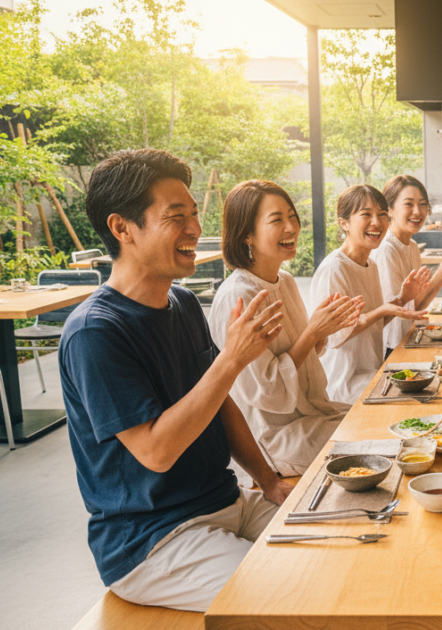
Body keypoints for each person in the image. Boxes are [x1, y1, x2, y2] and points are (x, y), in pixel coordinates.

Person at [61, 149, 294, 611]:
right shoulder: (96, 331)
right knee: (288, 596)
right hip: (152, 539)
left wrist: (267, 479)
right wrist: (231, 359)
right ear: (122, 228)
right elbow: (156, 452)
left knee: (340, 540)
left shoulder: (183, 303)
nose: (194, 228)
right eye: (175, 216)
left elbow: (219, 401)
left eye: (193, 214)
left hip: (225, 502)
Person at [208, 180, 364, 477]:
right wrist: (311, 333)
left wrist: (320, 328)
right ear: (247, 235)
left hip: (312, 414)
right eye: (277, 220)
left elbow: (304, 356)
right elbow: (268, 393)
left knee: (380, 421)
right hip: (273, 439)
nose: (291, 227)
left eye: (292, 216)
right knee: (381, 445)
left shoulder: (286, 280)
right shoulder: (238, 297)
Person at [311, 184, 429, 405]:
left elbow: (373, 324)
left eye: (382, 215)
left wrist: (401, 300)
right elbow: (334, 336)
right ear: (343, 223)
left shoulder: (370, 265)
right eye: (366, 214)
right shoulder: (334, 269)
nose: (377, 222)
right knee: (420, 404)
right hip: (343, 385)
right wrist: (384, 309)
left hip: (371, 374)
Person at [371, 175, 442, 354]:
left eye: (422, 204)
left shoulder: (411, 246)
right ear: (389, 209)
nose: (418, 212)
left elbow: (417, 306)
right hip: (391, 347)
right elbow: (399, 312)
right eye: (408, 204)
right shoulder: (386, 249)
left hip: (409, 336)